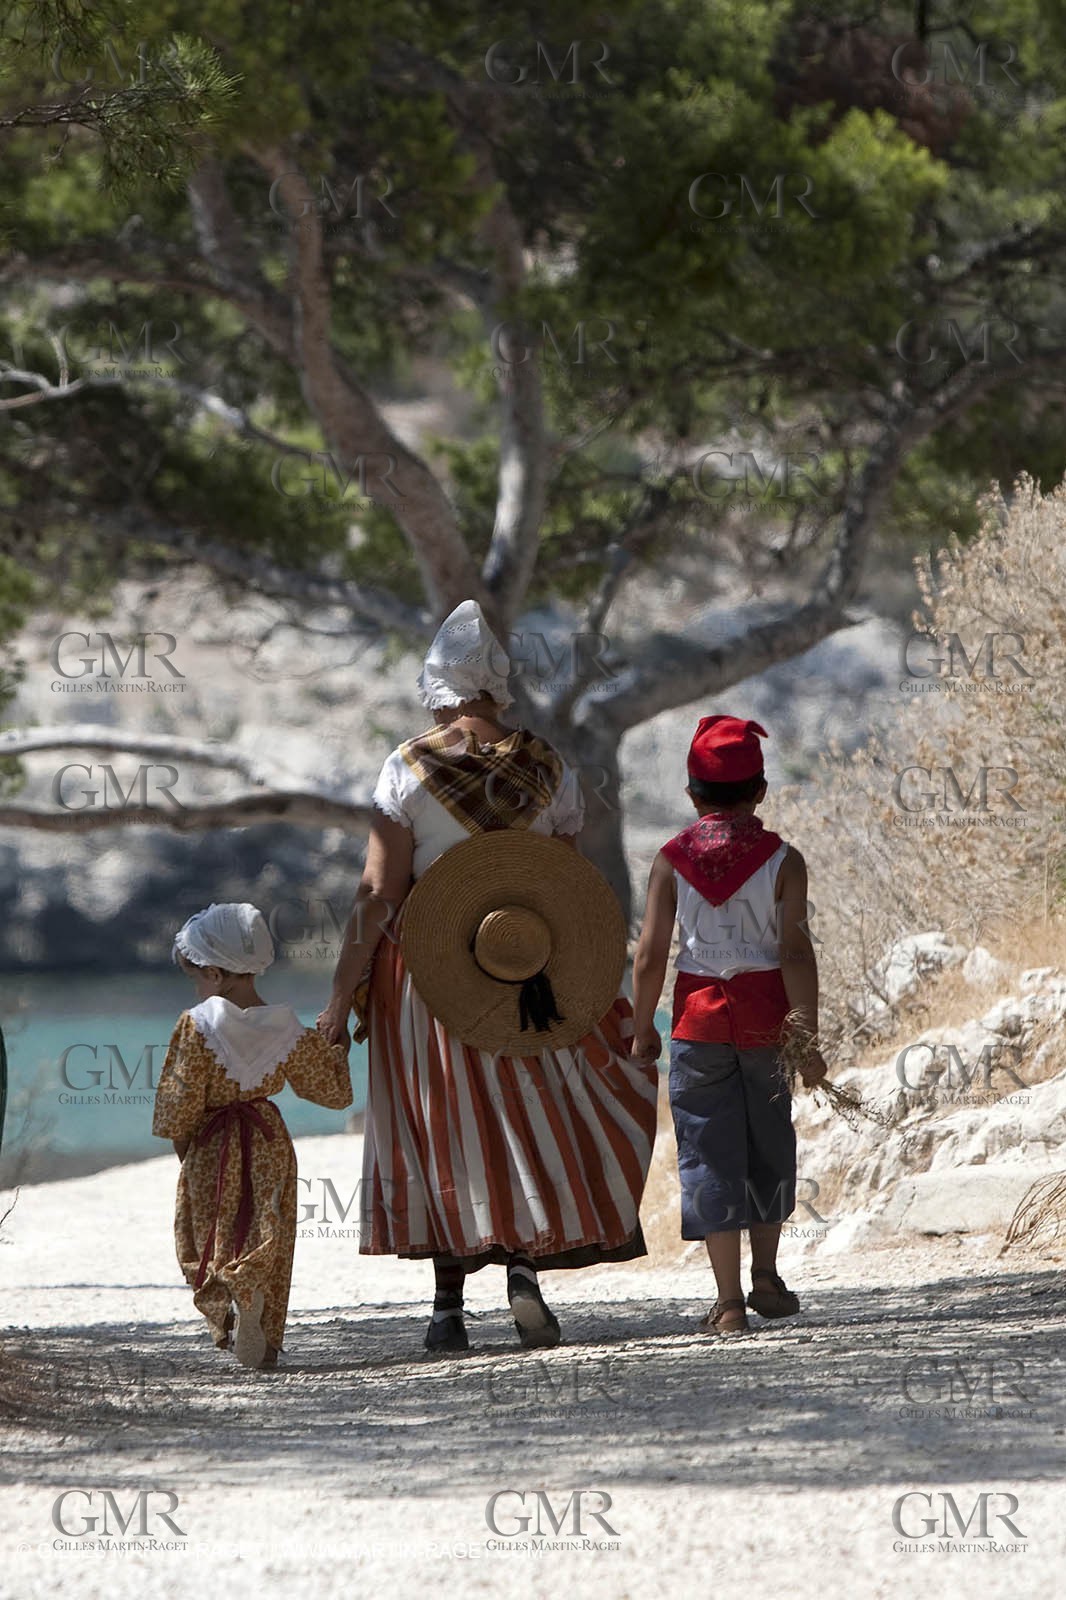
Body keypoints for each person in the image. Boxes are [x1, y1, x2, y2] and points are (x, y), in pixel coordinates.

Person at [317, 599, 658, 1353]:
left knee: (444, 1126)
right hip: (525, 961)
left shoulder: (407, 767)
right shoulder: (548, 765)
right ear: (498, 687)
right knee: (524, 1113)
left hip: (428, 970)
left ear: (437, 688)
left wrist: (340, 997)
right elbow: (568, 885)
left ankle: (447, 1307)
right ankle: (524, 1270)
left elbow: (378, 892)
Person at [630, 715, 827, 1335]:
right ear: (761, 791)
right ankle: (766, 1274)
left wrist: (642, 1026)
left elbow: (650, 955)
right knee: (768, 1146)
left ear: (692, 795)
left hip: (698, 1026)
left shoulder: (671, 860)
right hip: (768, 1025)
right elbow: (795, 952)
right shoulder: (785, 861)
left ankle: (729, 1301)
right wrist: (807, 1038)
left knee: (709, 1155)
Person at [153, 902, 352, 1368]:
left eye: (198, 978)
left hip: (213, 1143)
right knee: (270, 1231)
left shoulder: (197, 1024)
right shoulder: (285, 1025)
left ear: (216, 974)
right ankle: (262, 1333)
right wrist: (336, 1049)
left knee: (211, 1233)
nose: (197, 988)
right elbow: (331, 1093)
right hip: (268, 1142)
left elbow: (178, 1105)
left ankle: (231, 1300)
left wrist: (186, 1154)